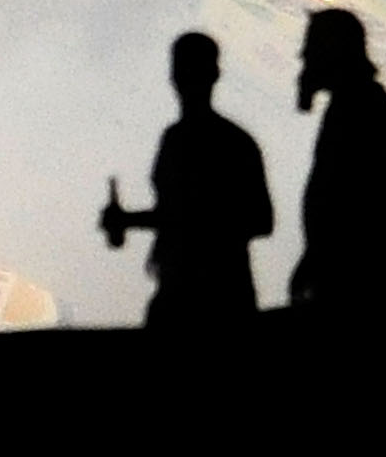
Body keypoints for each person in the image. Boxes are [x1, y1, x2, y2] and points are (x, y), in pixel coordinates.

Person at [101, 32, 273, 332]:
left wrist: (131, 220)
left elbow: (259, 219)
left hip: (213, 298)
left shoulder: (219, 142)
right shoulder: (211, 140)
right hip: (195, 292)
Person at [288, 7, 386, 314]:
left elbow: (347, 194)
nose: (303, 56)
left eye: (311, 47)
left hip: (351, 275)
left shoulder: (360, 103)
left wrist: (318, 254)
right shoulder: (359, 100)